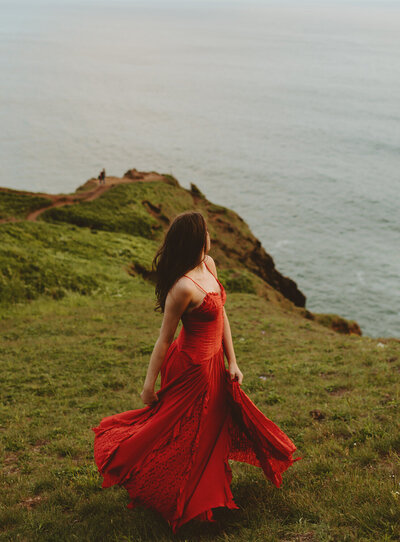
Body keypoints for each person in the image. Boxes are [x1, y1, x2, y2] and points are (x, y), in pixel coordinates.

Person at [92, 210, 301, 534]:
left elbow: (222, 317)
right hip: (191, 370)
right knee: (191, 436)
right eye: (205, 230)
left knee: (209, 433)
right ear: (195, 238)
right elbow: (164, 340)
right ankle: (185, 503)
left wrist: (233, 361)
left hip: (215, 365)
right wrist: (148, 387)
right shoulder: (182, 288)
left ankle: (205, 497)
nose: (210, 235)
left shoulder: (209, 265)